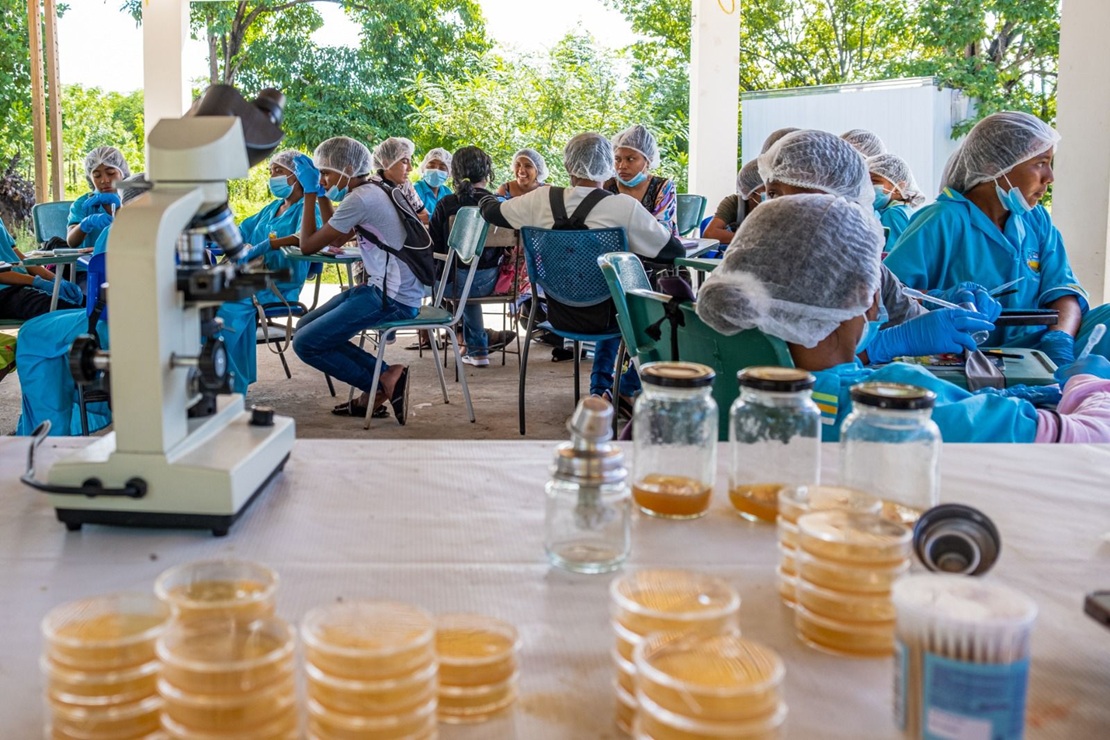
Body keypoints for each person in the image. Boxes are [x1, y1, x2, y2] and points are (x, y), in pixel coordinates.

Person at [697, 194, 1110, 443]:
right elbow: (1093, 438)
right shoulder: (896, 399)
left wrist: (999, 404)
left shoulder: (737, 385)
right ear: (869, 299)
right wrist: (1087, 382)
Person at [885, 111, 1110, 367]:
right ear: (995, 166)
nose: (1050, 177)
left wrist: (1059, 341)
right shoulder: (942, 219)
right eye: (1040, 163)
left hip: (1035, 349)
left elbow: (1063, 292)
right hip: (962, 353)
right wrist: (939, 299)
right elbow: (888, 295)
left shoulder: (1035, 220)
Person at [758, 129, 998, 364]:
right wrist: (887, 344)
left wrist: (940, 302)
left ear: (847, 197)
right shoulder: (764, 265)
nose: (781, 207)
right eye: (773, 193)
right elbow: (801, 373)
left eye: (804, 197)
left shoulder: (861, 263)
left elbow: (903, 307)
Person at [480, 132, 685, 404]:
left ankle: (599, 389)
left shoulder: (540, 199)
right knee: (642, 307)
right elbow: (672, 250)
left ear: (567, 165)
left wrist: (487, 196)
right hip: (609, 316)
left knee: (616, 302)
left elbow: (492, 211)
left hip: (556, 313)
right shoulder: (624, 207)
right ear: (608, 166)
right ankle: (620, 387)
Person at [292, 136, 418, 424]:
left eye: (325, 172)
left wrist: (310, 193)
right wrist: (321, 192)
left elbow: (308, 245)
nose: (322, 179)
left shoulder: (362, 198)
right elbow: (336, 236)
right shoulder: (370, 190)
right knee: (304, 327)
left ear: (348, 166)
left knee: (306, 344)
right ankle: (384, 378)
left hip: (393, 297)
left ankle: (383, 379)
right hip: (384, 288)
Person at [14, 174, 148, 436]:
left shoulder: (116, 230)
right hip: (158, 325)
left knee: (33, 335)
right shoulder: (180, 232)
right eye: (96, 173)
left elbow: (105, 277)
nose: (104, 179)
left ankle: (50, 433)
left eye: (110, 173)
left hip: (111, 326)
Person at [215, 150, 323, 395]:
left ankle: (230, 384)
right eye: (270, 171)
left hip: (280, 284)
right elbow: (239, 233)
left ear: (296, 177)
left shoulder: (308, 209)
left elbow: (302, 238)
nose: (272, 176)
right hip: (252, 278)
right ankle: (226, 379)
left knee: (224, 306)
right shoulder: (271, 208)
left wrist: (268, 245)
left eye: (278, 171)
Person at [428, 146, 513, 367]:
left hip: (452, 285)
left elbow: (434, 247)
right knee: (470, 283)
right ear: (487, 173)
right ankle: (476, 347)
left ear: (454, 173)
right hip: (491, 283)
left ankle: (476, 348)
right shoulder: (500, 205)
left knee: (457, 279)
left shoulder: (446, 204)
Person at [0, 217, 83, 320]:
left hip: (22, 285)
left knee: (89, 305)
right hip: (5, 292)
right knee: (73, 313)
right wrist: (37, 282)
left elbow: (21, 258)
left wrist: (57, 280)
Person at [605, 124, 678, 236]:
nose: (622, 166)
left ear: (648, 160)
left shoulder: (662, 187)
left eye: (630, 159)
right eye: (617, 159)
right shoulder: (606, 185)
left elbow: (662, 231)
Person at [67, 146, 130, 249]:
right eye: (97, 175)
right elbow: (71, 242)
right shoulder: (83, 204)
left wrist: (120, 209)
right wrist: (87, 223)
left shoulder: (133, 199)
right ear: (90, 178)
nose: (104, 180)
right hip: (89, 263)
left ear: (122, 173)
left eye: (110, 173)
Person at [867, 153, 926, 250]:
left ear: (900, 187)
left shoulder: (893, 214)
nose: (869, 186)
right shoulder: (906, 211)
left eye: (875, 181)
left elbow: (888, 258)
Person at [703, 159, 763, 245]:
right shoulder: (734, 203)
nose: (772, 195)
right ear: (749, 191)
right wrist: (751, 238)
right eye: (766, 189)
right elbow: (710, 234)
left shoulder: (779, 207)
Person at [414, 148, 453, 216]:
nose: (436, 171)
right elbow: (412, 217)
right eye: (431, 166)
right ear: (423, 168)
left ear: (449, 173)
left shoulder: (447, 192)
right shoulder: (415, 190)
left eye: (442, 168)